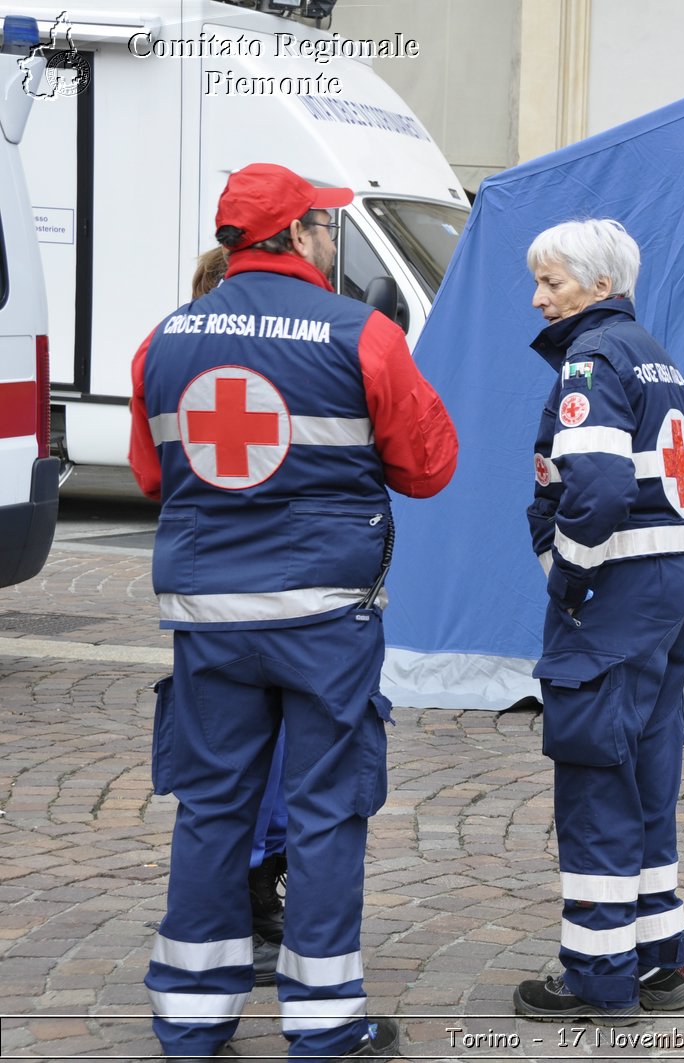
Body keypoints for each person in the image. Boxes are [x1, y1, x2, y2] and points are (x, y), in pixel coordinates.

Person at [130, 162, 459, 1060]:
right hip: (323, 620)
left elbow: (154, 476)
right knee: (323, 810)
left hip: (208, 620)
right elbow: (430, 466)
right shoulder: (364, 334)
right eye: (328, 226)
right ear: (302, 234)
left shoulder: (164, 339)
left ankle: (192, 1023)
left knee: (211, 807)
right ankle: (322, 1024)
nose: (332, 240)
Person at [513, 219, 684, 1028]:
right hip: (672, 593)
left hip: (616, 599)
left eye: (550, 281)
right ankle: (661, 958)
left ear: (597, 286)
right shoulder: (654, 351)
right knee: (649, 775)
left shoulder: (592, 360)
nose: (538, 297)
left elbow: (591, 491)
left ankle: (597, 972)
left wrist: (567, 579)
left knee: (595, 778)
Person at [188, 243, 291, 991]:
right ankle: (251, 907)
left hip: (213, 597)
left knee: (231, 773)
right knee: (261, 773)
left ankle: (242, 908)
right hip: (283, 602)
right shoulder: (310, 350)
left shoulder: (171, 347)